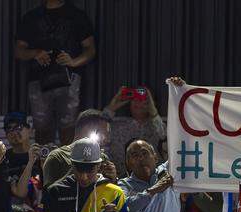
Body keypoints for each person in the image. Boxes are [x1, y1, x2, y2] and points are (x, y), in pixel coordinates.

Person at [14, 0, 97, 144]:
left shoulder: (77, 15)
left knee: (69, 127)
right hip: (39, 79)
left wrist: (73, 62)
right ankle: (45, 164)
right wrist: (36, 53)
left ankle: (67, 164)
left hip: (68, 79)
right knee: (42, 128)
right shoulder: (31, 17)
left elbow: (90, 49)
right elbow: (18, 50)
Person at [102, 83, 167, 173]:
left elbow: (164, 135)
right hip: (119, 177)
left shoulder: (157, 125)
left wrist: (153, 109)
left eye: (143, 100)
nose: (138, 102)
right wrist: (112, 107)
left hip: (151, 177)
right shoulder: (118, 124)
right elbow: (97, 127)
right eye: (134, 99)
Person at [40, 109, 113, 188]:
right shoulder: (58, 157)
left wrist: (113, 179)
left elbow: (110, 193)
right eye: (103, 134)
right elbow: (49, 195)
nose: (107, 140)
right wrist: (77, 168)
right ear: (88, 130)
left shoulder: (102, 157)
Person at [117, 139, 179, 212]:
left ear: (155, 158)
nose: (141, 158)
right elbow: (126, 208)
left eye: (144, 153)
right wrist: (153, 190)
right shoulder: (123, 184)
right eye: (135, 155)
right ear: (128, 164)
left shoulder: (169, 170)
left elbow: (182, 151)